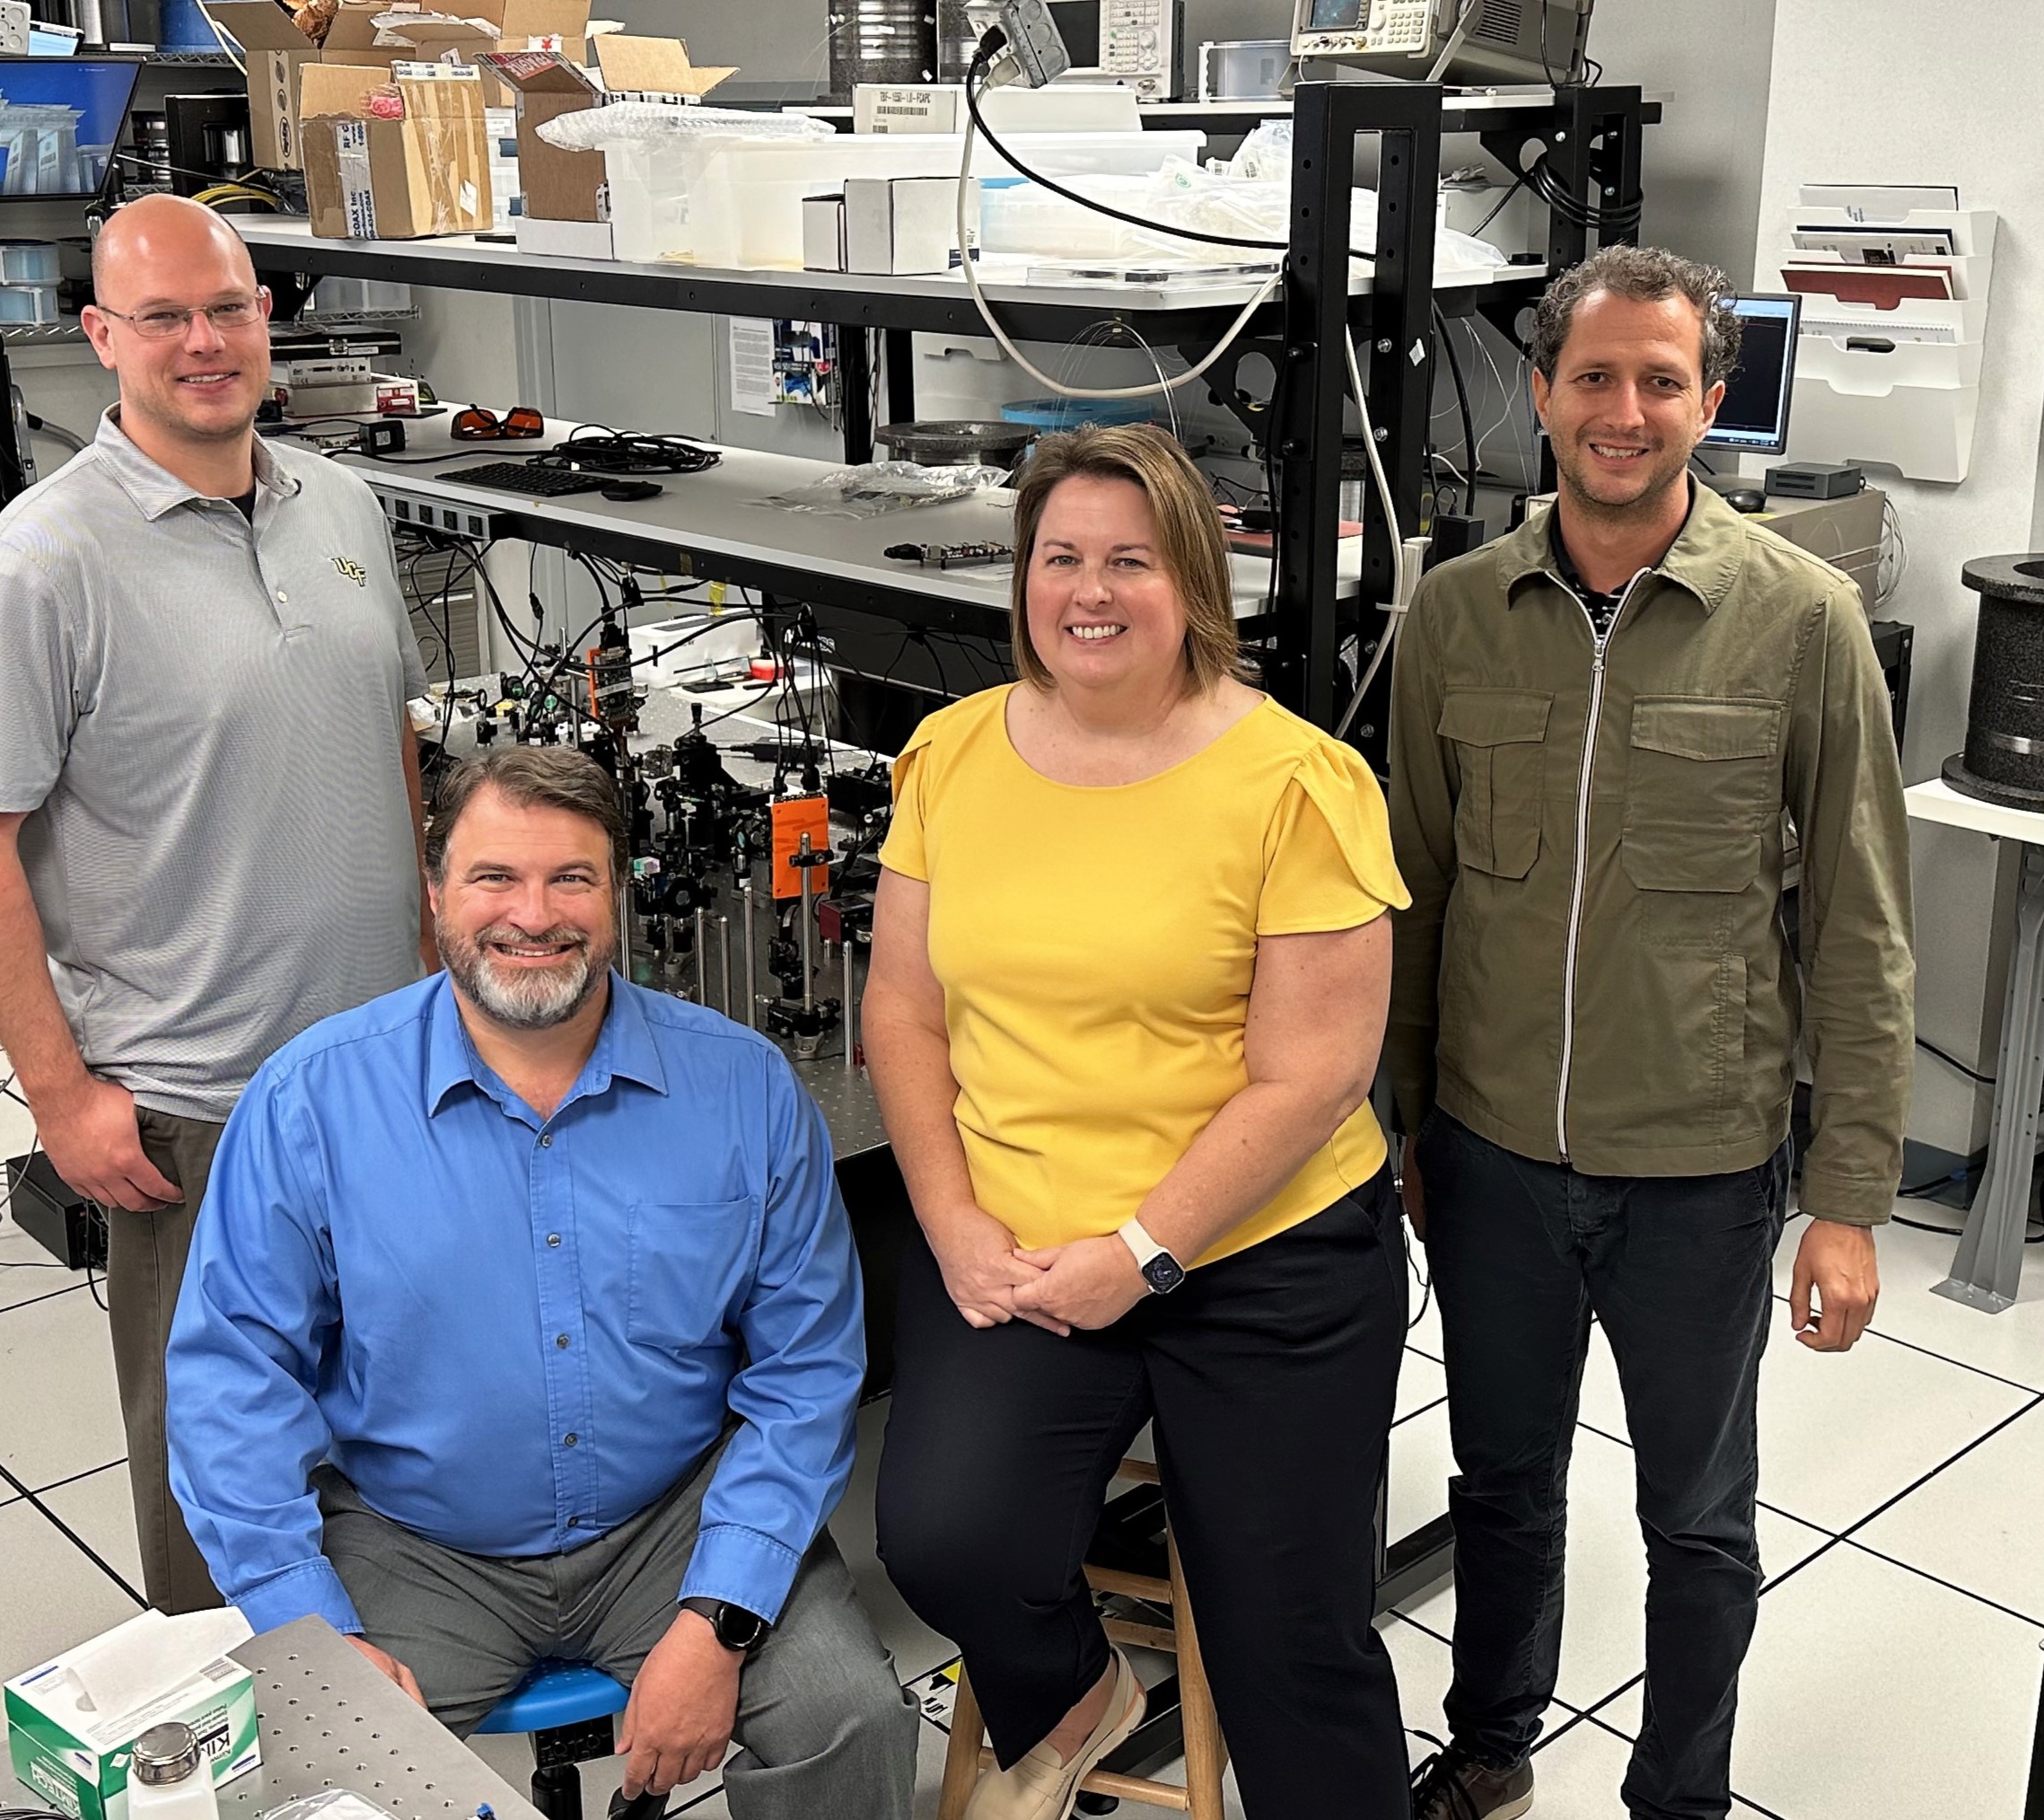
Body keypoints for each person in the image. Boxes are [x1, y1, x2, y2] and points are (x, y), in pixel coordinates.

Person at [1386, 245, 1914, 1820]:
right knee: (1500, 1487)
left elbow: (1860, 931)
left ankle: (1678, 1793)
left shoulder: (1800, 624)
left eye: (1661, 381)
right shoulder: (1456, 615)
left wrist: (1849, 1202)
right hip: (1490, 1157)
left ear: (1711, 396)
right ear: (1542, 393)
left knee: (1695, 1518)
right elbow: (1411, 895)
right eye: (1594, 378)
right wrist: (1405, 1123)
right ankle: (1488, 1745)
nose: (1625, 414)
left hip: (1700, 1165)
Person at [165, 747, 917, 1818]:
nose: (534, 914)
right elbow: (229, 1384)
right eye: (493, 878)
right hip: (414, 1537)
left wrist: (717, 1621)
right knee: (300, 1779)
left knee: (849, 1717)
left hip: (676, 1518)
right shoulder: (309, 1101)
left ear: (618, 892)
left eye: (571, 878)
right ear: (433, 897)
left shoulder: (743, 1088)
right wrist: (315, 1631)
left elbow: (807, 1374)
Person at [866, 424, 1416, 1820]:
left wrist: (1145, 1246)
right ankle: (1075, 1693)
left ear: (1194, 584)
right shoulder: (948, 756)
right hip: (1027, 1235)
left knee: (1283, 1629)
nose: (1089, 591)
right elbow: (904, 1012)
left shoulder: (1294, 781)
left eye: (1130, 559)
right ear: (1023, 577)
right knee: (947, 1538)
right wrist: (949, 1220)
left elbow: (1314, 1074)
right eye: (1061, 557)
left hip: (1259, 1244)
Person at [0, 194, 434, 1614]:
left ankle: (404, 1688)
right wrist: (57, 1089)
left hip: (387, 1064)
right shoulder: (35, 570)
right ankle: (251, 1724)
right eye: (163, 317)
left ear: (269, 314)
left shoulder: (343, 504)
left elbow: (380, 732)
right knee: (222, 1461)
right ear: (100, 338)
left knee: (396, 1409)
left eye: (229, 306)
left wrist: (435, 953)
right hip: (197, 1098)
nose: (204, 342)